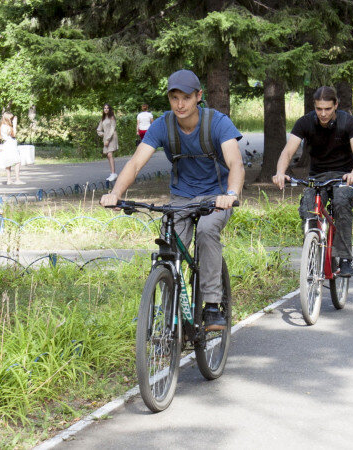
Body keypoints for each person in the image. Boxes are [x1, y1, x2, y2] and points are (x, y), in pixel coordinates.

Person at [100, 69, 245, 330]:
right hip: (181, 197)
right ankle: (171, 317)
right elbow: (135, 164)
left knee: (207, 230)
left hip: (217, 196)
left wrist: (231, 195)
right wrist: (116, 194)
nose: (180, 104)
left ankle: (212, 306)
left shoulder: (217, 122)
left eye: (186, 98)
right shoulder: (163, 125)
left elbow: (236, 163)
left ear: (199, 96)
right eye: (174, 97)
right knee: (170, 245)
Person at [272, 86, 353, 278]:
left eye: (327, 109)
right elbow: (288, 152)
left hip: (343, 176)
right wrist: (280, 173)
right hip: (317, 177)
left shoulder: (349, 123)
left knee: (341, 202)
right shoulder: (305, 123)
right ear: (314, 107)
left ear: (336, 106)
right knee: (308, 208)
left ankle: (344, 259)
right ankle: (313, 249)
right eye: (319, 109)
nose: (323, 114)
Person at [0, 112, 23, 185]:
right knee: (17, 161)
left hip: (6, 145)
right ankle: (17, 179)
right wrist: (15, 125)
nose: (12, 120)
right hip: (11, 145)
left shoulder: (2, 126)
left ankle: (9, 180)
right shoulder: (7, 127)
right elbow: (14, 134)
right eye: (11, 118)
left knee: (8, 162)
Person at [97, 103, 119, 181]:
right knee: (108, 156)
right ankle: (112, 173)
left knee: (110, 154)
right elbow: (98, 130)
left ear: (110, 109)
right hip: (106, 137)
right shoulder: (102, 119)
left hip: (112, 137)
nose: (106, 109)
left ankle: (113, 173)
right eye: (104, 108)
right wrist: (104, 135)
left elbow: (112, 129)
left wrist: (108, 139)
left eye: (107, 108)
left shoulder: (112, 118)